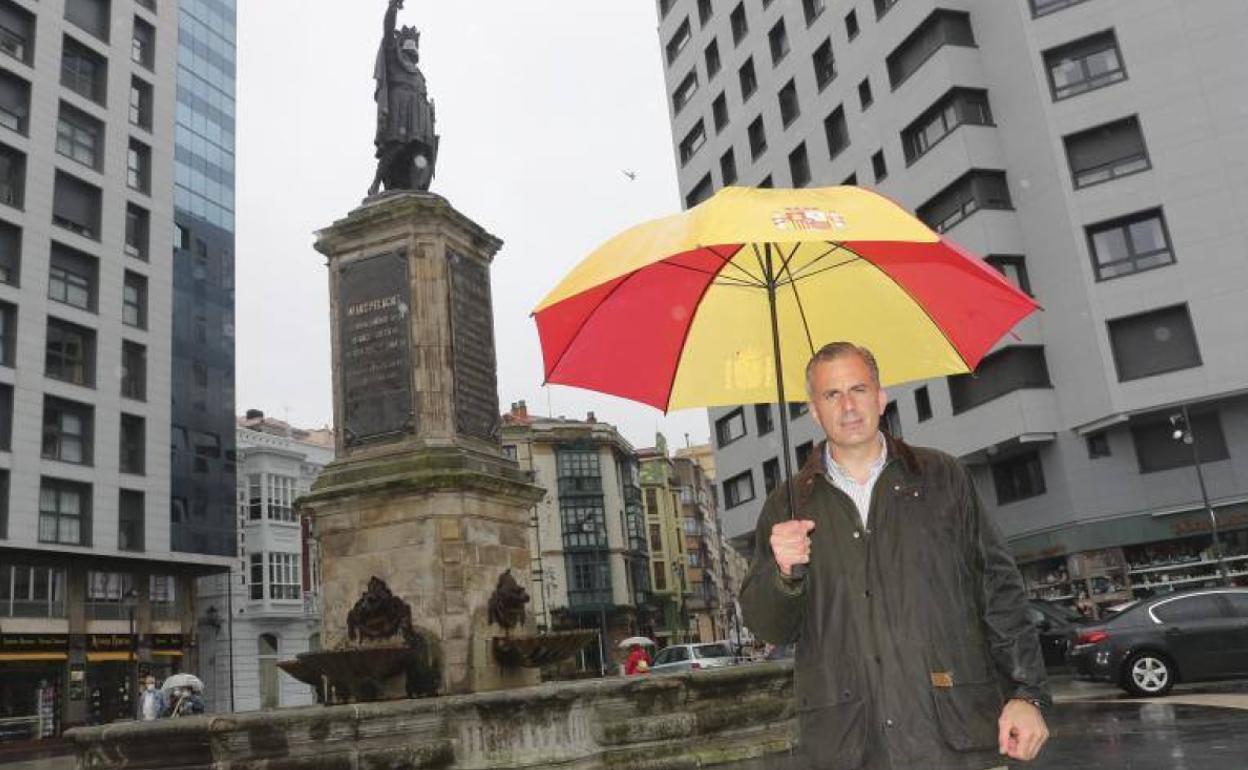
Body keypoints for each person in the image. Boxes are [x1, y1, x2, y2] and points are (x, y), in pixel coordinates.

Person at [740, 342, 1050, 770]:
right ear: (814, 410)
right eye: (832, 395)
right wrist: (782, 574)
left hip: (954, 738)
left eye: (859, 389)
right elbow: (768, 625)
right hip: (849, 744)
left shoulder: (943, 477)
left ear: (881, 397)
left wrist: (1025, 693)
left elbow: (999, 589)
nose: (848, 406)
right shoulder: (786, 506)